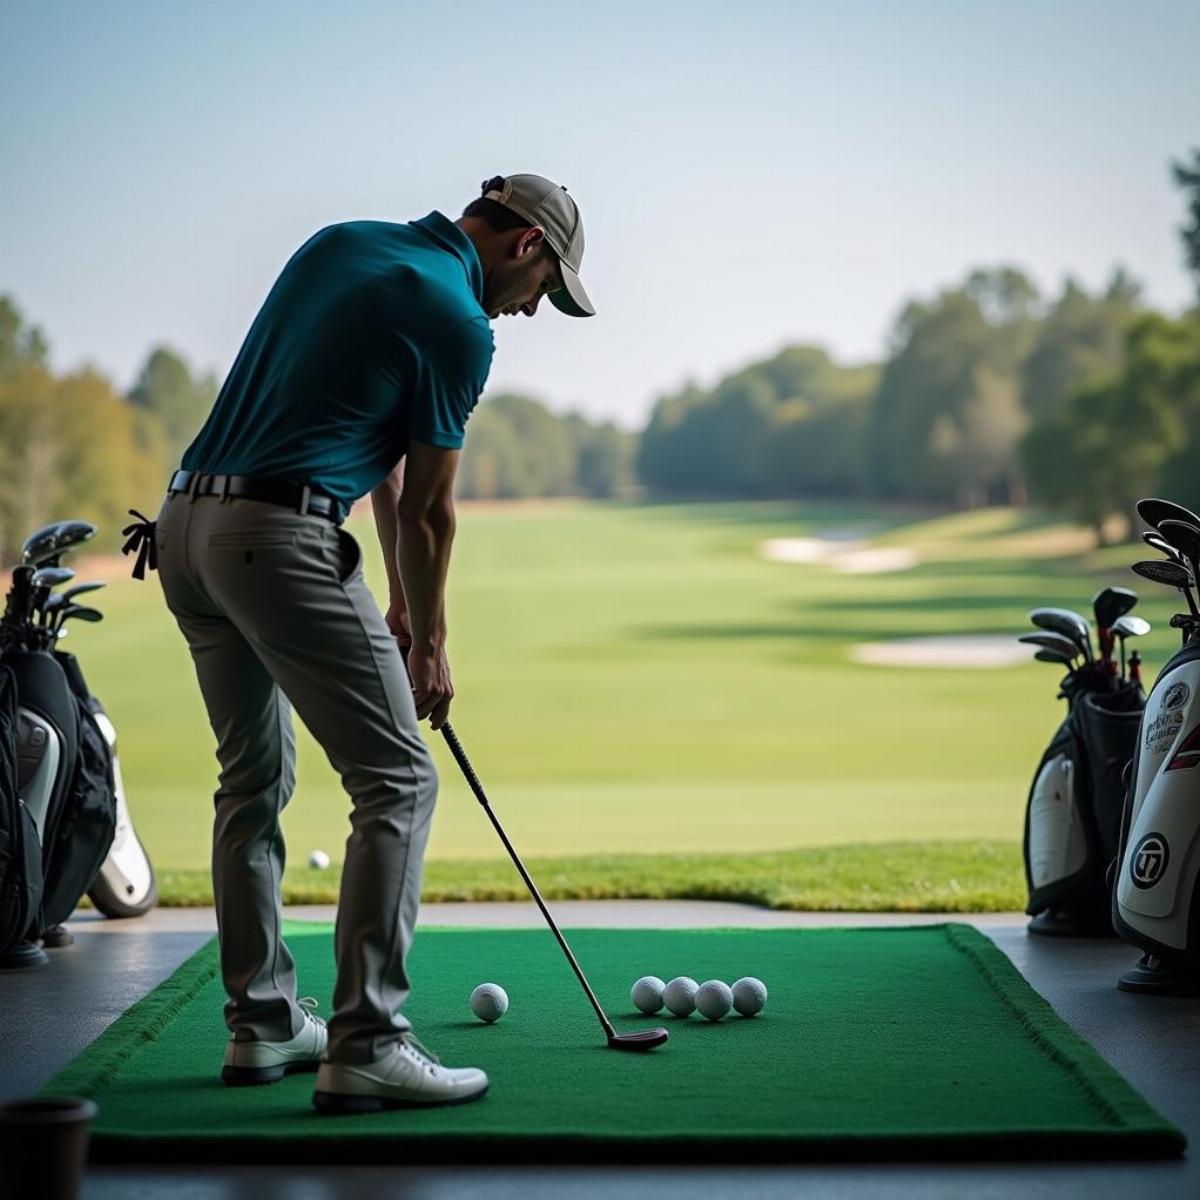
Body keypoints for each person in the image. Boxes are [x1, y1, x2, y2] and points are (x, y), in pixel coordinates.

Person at [124, 174, 593, 1113]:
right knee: (401, 780)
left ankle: (260, 1024)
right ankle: (369, 1039)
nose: (535, 308)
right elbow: (429, 511)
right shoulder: (462, 324)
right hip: (276, 537)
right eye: (546, 289)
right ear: (528, 244)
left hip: (183, 529)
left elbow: (374, 459)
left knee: (250, 780)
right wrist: (433, 645)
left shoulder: (343, 242)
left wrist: (403, 613)